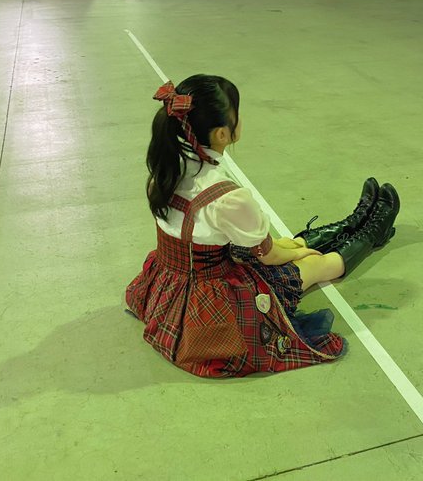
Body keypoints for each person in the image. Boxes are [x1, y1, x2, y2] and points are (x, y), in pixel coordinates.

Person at [125, 75, 401, 378]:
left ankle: (353, 223)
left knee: (290, 244)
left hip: (172, 286)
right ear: (222, 133)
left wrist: (291, 247)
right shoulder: (227, 196)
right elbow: (268, 255)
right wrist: (297, 253)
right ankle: (371, 232)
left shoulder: (166, 170)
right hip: (213, 301)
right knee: (313, 263)